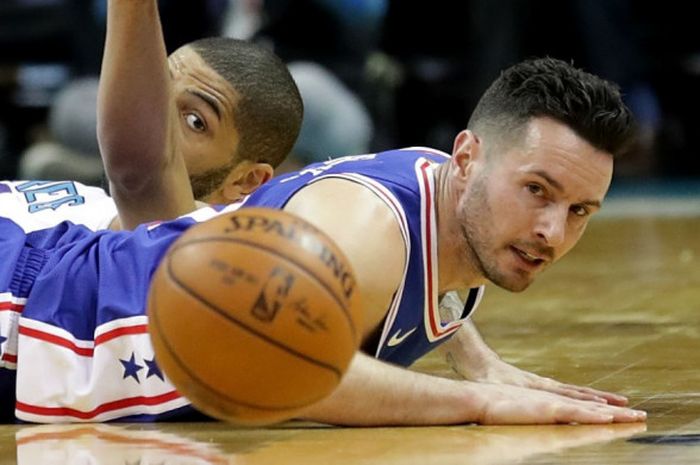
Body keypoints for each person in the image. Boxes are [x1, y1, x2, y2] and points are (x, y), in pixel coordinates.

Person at [0, 57, 646, 425]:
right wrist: (479, 399)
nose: (551, 231)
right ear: (469, 158)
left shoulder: (452, 191)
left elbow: (413, 270)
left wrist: (471, 353)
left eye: (581, 210)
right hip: (37, 309)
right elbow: (277, 367)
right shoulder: (363, 229)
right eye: (538, 190)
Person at [97, 0, 303, 230]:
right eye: (158, 89)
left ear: (245, 180)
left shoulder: (190, 248)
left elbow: (137, 174)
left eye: (195, 121)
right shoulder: (94, 207)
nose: (150, 115)